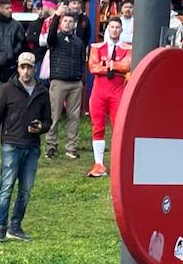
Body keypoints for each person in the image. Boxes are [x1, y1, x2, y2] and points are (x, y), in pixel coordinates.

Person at [0, 52, 50, 242]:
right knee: (6, 187)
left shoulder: (42, 91)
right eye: (23, 67)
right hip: (11, 144)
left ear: (34, 69)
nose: (26, 71)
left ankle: (15, 226)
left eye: (29, 67)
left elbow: (49, 120)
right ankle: (0, 227)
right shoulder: (7, 89)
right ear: (18, 67)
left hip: (32, 146)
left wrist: (41, 127)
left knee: (25, 190)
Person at [86, 16, 131, 178]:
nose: (114, 30)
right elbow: (92, 66)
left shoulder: (127, 47)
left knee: (118, 127)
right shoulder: (97, 47)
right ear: (107, 29)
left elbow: (127, 65)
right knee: (97, 126)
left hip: (117, 92)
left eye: (117, 27)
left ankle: (118, 163)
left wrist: (109, 65)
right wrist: (110, 68)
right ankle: (99, 164)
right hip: (99, 91)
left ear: (121, 30)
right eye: (111, 27)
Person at [42, 9, 84, 160]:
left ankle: (71, 147)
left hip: (75, 83)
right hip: (59, 81)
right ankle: (51, 146)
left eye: (70, 21)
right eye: (65, 21)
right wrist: (57, 16)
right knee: (55, 115)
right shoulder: (55, 39)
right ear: (61, 23)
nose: (68, 24)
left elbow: (81, 60)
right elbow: (50, 35)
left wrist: (80, 79)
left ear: (74, 24)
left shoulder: (78, 41)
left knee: (74, 116)